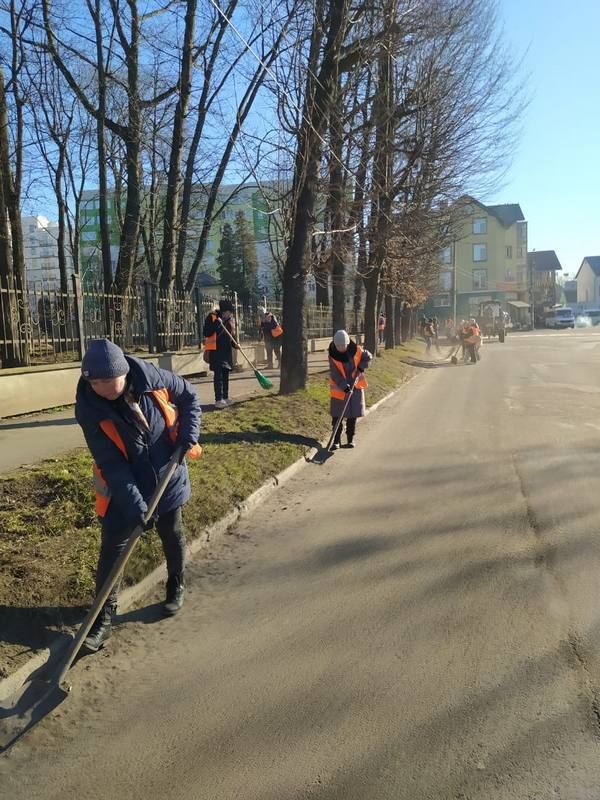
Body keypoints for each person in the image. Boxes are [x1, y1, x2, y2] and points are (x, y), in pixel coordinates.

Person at [75, 339, 202, 653]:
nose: (100, 388)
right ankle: (103, 618)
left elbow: (189, 396)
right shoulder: (89, 408)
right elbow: (111, 464)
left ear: (123, 373)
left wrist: (189, 435)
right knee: (113, 549)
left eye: (106, 381)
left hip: (166, 473)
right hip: (123, 488)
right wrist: (136, 506)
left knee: (172, 533)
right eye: (94, 382)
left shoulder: (151, 377)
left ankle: (176, 583)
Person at [328, 329, 372, 449]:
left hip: (355, 387)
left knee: (352, 416)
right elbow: (335, 373)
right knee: (337, 416)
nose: (341, 348)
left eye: (343, 345)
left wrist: (361, 368)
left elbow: (368, 357)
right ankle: (336, 441)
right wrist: (344, 386)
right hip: (339, 390)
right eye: (338, 345)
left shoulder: (356, 350)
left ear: (347, 343)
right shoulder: (332, 355)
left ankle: (350, 440)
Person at [203, 299, 238, 408]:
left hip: (226, 351)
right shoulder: (212, 317)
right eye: (229, 312)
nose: (230, 314)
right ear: (224, 311)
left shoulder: (229, 320)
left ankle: (225, 397)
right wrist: (217, 324)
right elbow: (206, 332)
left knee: (226, 375)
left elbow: (231, 335)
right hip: (215, 350)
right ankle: (218, 399)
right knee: (218, 376)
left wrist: (235, 344)